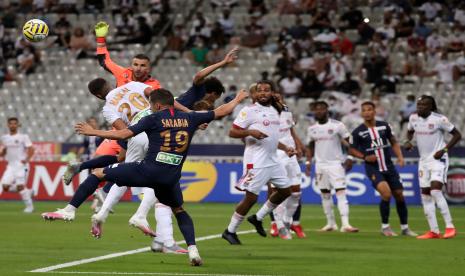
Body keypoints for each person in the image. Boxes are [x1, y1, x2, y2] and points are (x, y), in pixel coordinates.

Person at [74, 88, 249, 266]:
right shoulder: (190, 117)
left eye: (150, 104)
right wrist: (237, 99)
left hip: (147, 171)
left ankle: (77, 209)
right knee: (179, 210)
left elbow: (123, 134)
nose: (150, 107)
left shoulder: (153, 118)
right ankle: (193, 251)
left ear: (157, 105)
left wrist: (93, 131)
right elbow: (222, 111)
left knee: (100, 173)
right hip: (171, 177)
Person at [222, 80, 296, 245]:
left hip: (272, 159)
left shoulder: (274, 111)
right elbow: (232, 132)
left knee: (285, 191)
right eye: (259, 90)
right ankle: (230, 231)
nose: (263, 93)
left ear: (271, 93)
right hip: (255, 161)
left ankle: (258, 217)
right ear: (254, 94)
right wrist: (250, 132)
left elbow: (272, 138)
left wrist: (286, 148)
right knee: (251, 198)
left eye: (266, 90)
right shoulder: (249, 111)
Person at [349, 102, 417, 237]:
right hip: (373, 168)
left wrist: (400, 157)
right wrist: (364, 157)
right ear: (361, 113)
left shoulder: (384, 126)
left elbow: (393, 142)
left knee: (399, 195)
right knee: (386, 194)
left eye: (369, 110)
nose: (367, 112)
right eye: (364, 110)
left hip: (389, 167)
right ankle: (385, 227)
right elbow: (351, 149)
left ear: (374, 111)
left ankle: (405, 228)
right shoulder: (357, 132)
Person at [404, 96, 462, 239]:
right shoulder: (413, 118)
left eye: (424, 105)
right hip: (423, 161)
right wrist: (407, 141)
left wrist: (444, 150)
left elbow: (457, 135)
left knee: (435, 191)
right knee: (425, 195)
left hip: (438, 159)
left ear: (431, 107)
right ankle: (434, 231)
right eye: (419, 105)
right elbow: (410, 131)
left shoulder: (439, 119)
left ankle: (450, 227)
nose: (420, 107)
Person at [305, 101, 358, 233]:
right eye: (316, 110)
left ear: (327, 110)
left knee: (340, 193)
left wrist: (350, 157)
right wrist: (308, 162)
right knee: (325, 194)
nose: (319, 112)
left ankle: (345, 224)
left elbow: (351, 141)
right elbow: (310, 146)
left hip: (336, 164)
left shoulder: (337, 125)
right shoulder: (312, 129)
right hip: (320, 165)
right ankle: (330, 224)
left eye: (322, 109)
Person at [269, 91, 306, 239]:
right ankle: (279, 225)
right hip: (276, 155)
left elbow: (291, 131)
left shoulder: (286, 112)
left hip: (291, 156)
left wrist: (299, 145)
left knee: (296, 192)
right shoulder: (266, 116)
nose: (278, 99)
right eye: (275, 98)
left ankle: (286, 221)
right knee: (279, 192)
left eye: (279, 97)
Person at [0, 118, 35, 213]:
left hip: (21, 165)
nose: (12, 125)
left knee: (20, 186)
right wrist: (2, 152)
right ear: (8, 125)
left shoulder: (23, 137)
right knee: (4, 187)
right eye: (11, 123)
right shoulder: (4, 138)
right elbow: (3, 153)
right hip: (10, 165)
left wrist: (26, 159)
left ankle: (30, 207)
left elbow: (31, 149)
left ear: (17, 125)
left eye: (14, 124)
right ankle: (29, 191)